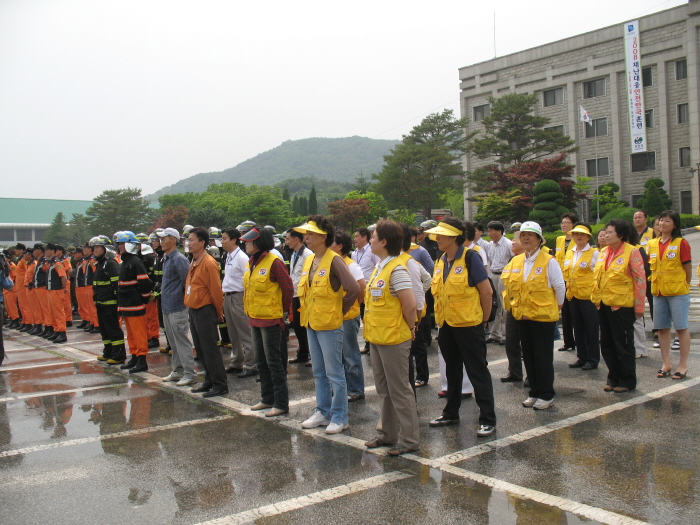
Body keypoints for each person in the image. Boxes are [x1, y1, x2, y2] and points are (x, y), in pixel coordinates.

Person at [425, 218, 496, 436]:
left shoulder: (470, 257)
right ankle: (450, 413)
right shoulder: (441, 259)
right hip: (446, 325)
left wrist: (483, 320)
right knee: (452, 370)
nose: (436, 239)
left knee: (477, 372)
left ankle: (487, 419)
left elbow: (487, 292)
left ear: (454, 237)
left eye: (441, 235)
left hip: (469, 326)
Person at [295, 217, 360, 434]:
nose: (306, 237)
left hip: (329, 324)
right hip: (312, 322)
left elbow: (353, 289)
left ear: (323, 237)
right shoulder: (310, 259)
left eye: (310, 234)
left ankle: (340, 417)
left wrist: (338, 312)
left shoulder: (335, 260)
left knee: (335, 372)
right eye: (306, 234)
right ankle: (322, 412)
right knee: (319, 371)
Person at [362, 220, 419, 456]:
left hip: (394, 338)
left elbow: (410, 303)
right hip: (377, 337)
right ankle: (387, 434)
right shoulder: (380, 267)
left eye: (373, 236)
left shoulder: (397, 268)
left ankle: (409, 440)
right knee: (383, 389)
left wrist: (410, 327)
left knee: (399, 389)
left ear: (384, 242)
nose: (370, 240)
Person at [502, 221, 565, 410]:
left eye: (531, 235)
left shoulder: (549, 261)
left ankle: (547, 394)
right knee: (528, 356)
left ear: (539, 239)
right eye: (523, 235)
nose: (526, 238)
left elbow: (559, 287)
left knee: (543, 357)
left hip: (542, 318)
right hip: (522, 316)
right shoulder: (516, 261)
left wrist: (557, 307)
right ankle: (534, 392)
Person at [242, 225, 293, 416]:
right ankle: (267, 398)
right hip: (254, 317)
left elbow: (287, 287)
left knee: (274, 361)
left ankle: (280, 403)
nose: (246, 244)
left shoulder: (274, 261)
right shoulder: (252, 261)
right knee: (261, 360)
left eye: (249, 241)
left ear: (259, 242)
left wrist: (282, 310)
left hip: (271, 319)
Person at [591, 220, 646, 393]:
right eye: (605, 232)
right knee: (606, 343)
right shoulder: (603, 252)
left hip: (622, 306)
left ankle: (627, 380)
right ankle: (613, 377)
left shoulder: (632, 252)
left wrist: (639, 307)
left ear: (620, 235)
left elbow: (640, 280)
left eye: (610, 232)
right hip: (604, 304)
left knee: (623, 343)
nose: (606, 235)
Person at [647, 211, 692, 380]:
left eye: (667, 221)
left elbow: (687, 268)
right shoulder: (652, 243)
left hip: (677, 291)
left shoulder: (681, 243)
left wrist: (684, 284)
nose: (662, 224)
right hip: (658, 291)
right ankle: (666, 363)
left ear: (675, 224)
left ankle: (683, 364)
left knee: (681, 328)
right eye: (660, 221)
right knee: (662, 328)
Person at [185, 227, 228, 397]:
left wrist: (218, 311)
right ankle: (209, 380)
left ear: (202, 243)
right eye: (188, 240)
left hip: (205, 309)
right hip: (194, 309)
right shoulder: (194, 261)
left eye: (192, 240)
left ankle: (220, 384)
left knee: (210, 349)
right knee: (201, 349)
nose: (188, 243)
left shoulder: (208, 262)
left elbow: (216, 291)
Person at [158, 228, 197, 386]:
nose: (161, 241)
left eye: (164, 238)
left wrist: (185, 302)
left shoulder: (179, 259)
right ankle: (177, 370)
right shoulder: (167, 258)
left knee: (181, 340)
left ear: (173, 240)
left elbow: (187, 282)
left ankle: (189, 373)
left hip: (178, 307)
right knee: (173, 341)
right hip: (167, 306)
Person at [330, 231, 366, 402]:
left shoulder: (350, 265)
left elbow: (361, 288)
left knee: (350, 355)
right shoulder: (331, 263)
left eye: (332, 243)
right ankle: (343, 387)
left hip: (348, 317)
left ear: (340, 246)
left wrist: (352, 306)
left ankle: (356, 389)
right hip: (335, 317)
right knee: (338, 355)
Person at [563, 223, 600, 370]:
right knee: (577, 328)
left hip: (588, 297)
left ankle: (592, 358)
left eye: (582, 234)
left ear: (588, 237)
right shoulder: (570, 252)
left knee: (591, 329)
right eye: (576, 234)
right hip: (573, 295)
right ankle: (582, 357)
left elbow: (599, 275)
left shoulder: (594, 253)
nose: (578, 237)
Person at [221, 227, 257, 378]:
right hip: (228, 296)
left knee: (244, 331)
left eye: (224, 238)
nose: (222, 241)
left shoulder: (242, 257)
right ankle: (236, 361)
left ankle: (252, 364)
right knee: (232, 332)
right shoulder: (228, 256)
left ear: (234, 240)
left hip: (238, 296)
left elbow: (248, 280)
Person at [116, 231, 154, 374]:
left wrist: (143, 298)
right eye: (118, 244)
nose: (119, 246)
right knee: (131, 334)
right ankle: (134, 356)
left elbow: (145, 282)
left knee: (139, 334)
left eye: (122, 243)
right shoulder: (125, 261)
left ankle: (142, 360)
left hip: (135, 303)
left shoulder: (135, 261)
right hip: (126, 304)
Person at [90, 236, 126, 364]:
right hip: (101, 302)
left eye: (98, 247)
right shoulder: (100, 263)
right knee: (104, 330)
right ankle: (108, 351)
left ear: (105, 249)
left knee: (113, 329)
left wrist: (119, 303)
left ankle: (119, 354)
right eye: (94, 248)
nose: (95, 250)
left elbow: (116, 284)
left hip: (110, 303)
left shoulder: (110, 263)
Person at [285, 227, 314, 365]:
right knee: (297, 325)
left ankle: (309, 354)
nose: (286, 241)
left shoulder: (308, 254)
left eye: (288, 238)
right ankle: (303, 353)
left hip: (304, 296)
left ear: (296, 239)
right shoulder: (294, 254)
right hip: (295, 294)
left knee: (306, 325)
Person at [500, 231, 524, 383]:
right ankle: (515, 372)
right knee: (511, 343)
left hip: (529, 309)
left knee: (529, 345)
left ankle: (532, 375)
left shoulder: (535, 260)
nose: (513, 242)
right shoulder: (513, 260)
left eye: (516, 240)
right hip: (512, 308)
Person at [352, 227, 380, 355]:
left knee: (369, 317)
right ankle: (368, 344)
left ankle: (371, 344)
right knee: (363, 317)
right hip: (357, 289)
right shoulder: (354, 253)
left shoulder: (372, 251)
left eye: (357, 236)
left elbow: (378, 268)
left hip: (369, 289)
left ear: (365, 237)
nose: (355, 239)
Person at [484, 221, 512, 345]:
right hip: (493, 275)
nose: (489, 233)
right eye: (488, 230)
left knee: (505, 306)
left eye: (491, 231)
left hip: (504, 276)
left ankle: (507, 335)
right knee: (494, 305)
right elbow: (490, 260)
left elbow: (514, 259)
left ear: (499, 231)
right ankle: (494, 334)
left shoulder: (508, 244)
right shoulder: (490, 245)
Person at [555, 213, 578, 353]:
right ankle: (568, 341)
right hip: (561, 279)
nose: (563, 225)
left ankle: (578, 340)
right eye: (562, 223)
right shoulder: (559, 240)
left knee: (574, 312)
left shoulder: (577, 239)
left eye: (566, 223)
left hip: (574, 280)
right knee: (565, 312)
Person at [44, 243, 68, 343]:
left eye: (47, 250)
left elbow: (63, 277)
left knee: (58, 312)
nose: (45, 251)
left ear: (52, 251)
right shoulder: (50, 263)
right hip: (50, 290)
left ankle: (62, 332)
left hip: (56, 290)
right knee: (52, 312)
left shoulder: (57, 263)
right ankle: (56, 330)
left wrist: (63, 287)